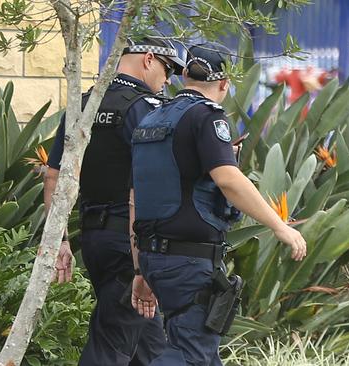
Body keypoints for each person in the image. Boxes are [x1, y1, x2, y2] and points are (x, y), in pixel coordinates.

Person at [131, 43, 307, 365]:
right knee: (191, 355)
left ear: (184, 75)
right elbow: (228, 179)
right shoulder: (206, 117)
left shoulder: (152, 119)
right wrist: (280, 227)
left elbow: (136, 197)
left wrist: (141, 269)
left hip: (154, 257)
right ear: (225, 83)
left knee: (203, 354)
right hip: (189, 261)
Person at [44, 37, 186, 365]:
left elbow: (54, 176)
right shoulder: (143, 108)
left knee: (150, 345)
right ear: (148, 59)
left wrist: (59, 240)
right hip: (130, 243)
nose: (167, 80)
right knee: (111, 342)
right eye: (167, 69)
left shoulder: (83, 105)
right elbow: (159, 178)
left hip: (95, 239)